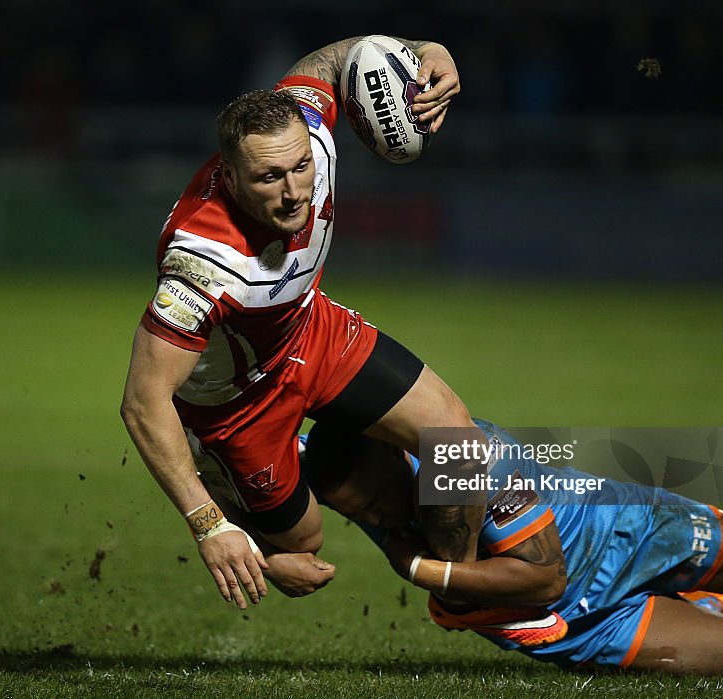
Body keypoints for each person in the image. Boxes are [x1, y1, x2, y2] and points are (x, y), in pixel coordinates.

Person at [120, 36, 488, 612]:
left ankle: (462, 592)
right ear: (232, 178)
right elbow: (144, 403)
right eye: (270, 178)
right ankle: (229, 477)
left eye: (301, 168)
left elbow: (335, 61)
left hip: (309, 331)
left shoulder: (305, 128)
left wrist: (429, 49)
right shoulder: (201, 265)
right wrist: (209, 527)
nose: (296, 192)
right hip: (238, 403)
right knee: (302, 547)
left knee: (456, 442)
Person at [299, 419, 723, 675]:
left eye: (376, 503)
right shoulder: (329, 469)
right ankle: (701, 605)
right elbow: (230, 462)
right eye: (358, 515)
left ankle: (695, 592)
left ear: (397, 458)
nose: (375, 518)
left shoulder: (470, 460)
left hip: (626, 528)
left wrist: (418, 568)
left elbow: (540, 579)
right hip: (580, 622)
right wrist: (228, 533)